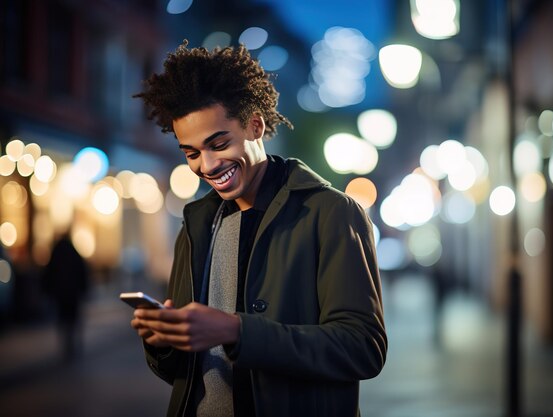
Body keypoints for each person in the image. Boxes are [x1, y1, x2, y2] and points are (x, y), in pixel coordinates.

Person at [131, 41, 386, 417]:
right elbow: (182, 375)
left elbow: (363, 348)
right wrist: (163, 342)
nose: (208, 165)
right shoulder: (197, 224)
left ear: (256, 126)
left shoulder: (333, 212)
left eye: (219, 143)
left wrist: (237, 331)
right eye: (191, 153)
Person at [43, 233, 89, 361]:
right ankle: (72, 344)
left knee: (63, 319)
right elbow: (82, 272)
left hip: (60, 293)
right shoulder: (74, 253)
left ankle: (65, 345)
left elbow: (49, 272)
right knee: (72, 319)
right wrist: (83, 290)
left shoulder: (56, 253)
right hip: (73, 293)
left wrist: (48, 290)